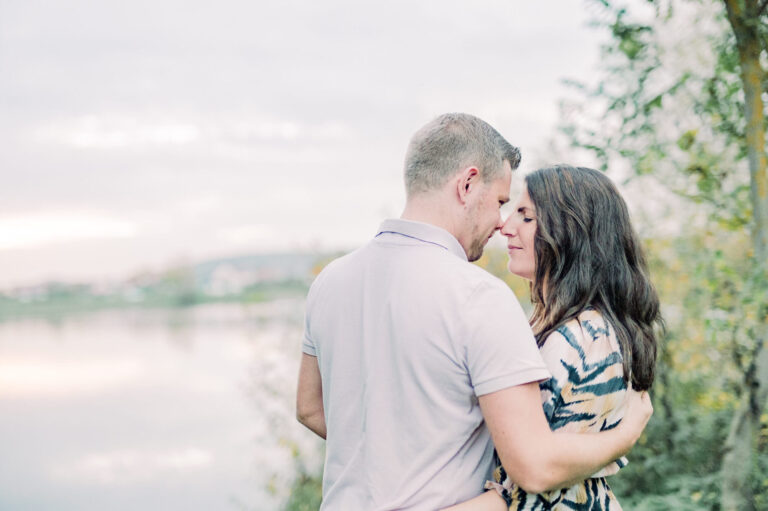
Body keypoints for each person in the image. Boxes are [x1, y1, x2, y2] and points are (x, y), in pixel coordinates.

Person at [296, 114, 653, 510]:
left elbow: (311, 408)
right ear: (467, 185)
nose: (501, 223)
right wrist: (625, 437)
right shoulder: (478, 295)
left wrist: (392, 447)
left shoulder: (329, 281)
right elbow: (533, 466)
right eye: (501, 202)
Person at [445, 165, 662, 510]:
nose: (505, 225)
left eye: (525, 216)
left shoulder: (584, 337)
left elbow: (528, 486)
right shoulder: (559, 326)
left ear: (571, 232)